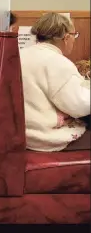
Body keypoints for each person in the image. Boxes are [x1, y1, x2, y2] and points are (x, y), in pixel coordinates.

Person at [20, 12, 90, 152]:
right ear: (67, 37)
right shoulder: (58, 63)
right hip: (45, 137)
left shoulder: (21, 54)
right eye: (75, 35)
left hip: (23, 132)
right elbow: (79, 106)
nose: (74, 40)